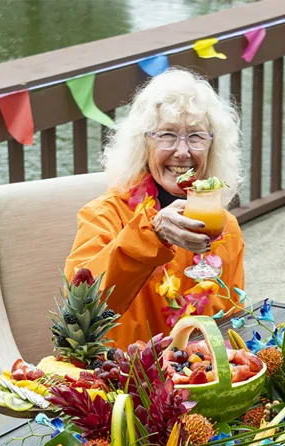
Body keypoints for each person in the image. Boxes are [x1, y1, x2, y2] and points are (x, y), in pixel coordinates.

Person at [65, 67, 245, 349]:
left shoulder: (225, 228)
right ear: (142, 143)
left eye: (196, 137)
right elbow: (80, 312)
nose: (183, 152)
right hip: (127, 379)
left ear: (212, 146)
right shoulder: (104, 215)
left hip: (203, 378)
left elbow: (234, 323)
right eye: (167, 136)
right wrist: (153, 234)